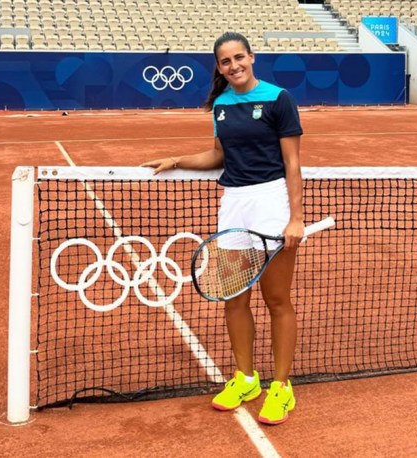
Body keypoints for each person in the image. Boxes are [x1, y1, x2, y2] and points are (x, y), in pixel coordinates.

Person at [141, 31, 304, 425]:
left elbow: (293, 163)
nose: (234, 66)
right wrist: (176, 159)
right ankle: (246, 378)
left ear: (251, 57)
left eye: (238, 58)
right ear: (219, 67)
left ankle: (281, 387)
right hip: (233, 204)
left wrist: (295, 217)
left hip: (271, 203)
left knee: (277, 299)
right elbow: (218, 155)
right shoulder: (221, 106)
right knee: (235, 297)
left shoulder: (279, 99)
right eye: (225, 62)